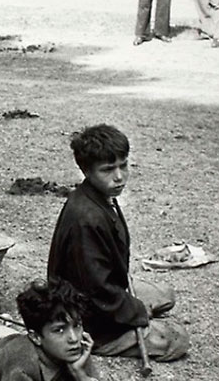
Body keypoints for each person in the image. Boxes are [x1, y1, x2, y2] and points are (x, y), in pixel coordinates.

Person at [48, 124, 189, 362]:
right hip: (88, 314)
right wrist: (135, 311)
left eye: (123, 165)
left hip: (107, 289)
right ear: (86, 171)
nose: (119, 176)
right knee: (176, 339)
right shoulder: (86, 218)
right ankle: (106, 341)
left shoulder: (102, 197)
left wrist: (133, 304)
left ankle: (138, 314)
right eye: (108, 169)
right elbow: (96, 290)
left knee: (166, 294)